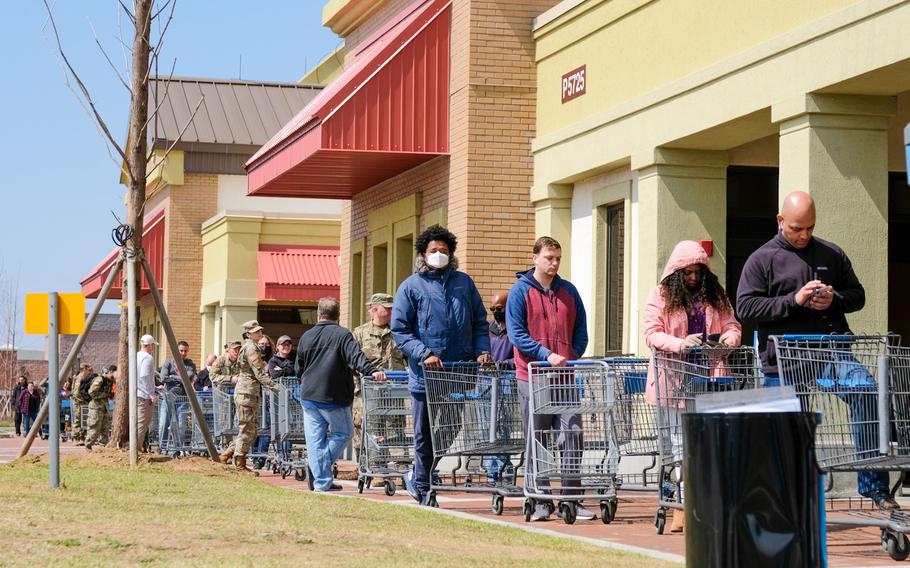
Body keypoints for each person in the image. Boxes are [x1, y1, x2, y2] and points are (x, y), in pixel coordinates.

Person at [736, 190, 897, 509]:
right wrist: (793, 301)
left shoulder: (831, 253)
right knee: (787, 432)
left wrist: (834, 299)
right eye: (797, 228)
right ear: (781, 221)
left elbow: (858, 295)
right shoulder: (761, 259)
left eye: (810, 227)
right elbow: (745, 307)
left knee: (865, 391)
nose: (804, 235)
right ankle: (788, 497)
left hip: (831, 351)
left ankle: (875, 487)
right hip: (783, 359)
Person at [643, 240, 742, 532]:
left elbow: (732, 325)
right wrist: (680, 344)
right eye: (687, 272)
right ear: (675, 272)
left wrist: (728, 340)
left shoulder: (715, 296)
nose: (693, 278)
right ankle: (684, 507)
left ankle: (702, 504)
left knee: (708, 444)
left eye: (698, 272)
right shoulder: (659, 295)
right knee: (678, 445)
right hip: (674, 378)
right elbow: (652, 333)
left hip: (709, 378)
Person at [392, 225, 491, 505]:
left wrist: (482, 350)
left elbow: (479, 323)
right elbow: (400, 330)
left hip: (458, 372)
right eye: (433, 251)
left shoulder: (464, 283)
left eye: (444, 251)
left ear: (451, 254)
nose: (438, 255)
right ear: (423, 254)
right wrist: (423, 353)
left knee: (449, 428)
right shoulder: (411, 286)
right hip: (426, 373)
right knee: (424, 432)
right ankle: (422, 485)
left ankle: (419, 474)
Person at [506, 236, 592, 521]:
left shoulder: (568, 291)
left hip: (565, 378)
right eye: (548, 258)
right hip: (532, 377)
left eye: (557, 258)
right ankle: (541, 499)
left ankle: (572, 499)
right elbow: (516, 335)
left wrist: (572, 354)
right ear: (535, 258)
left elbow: (581, 330)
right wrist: (546, 354)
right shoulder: (520, 292)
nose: (554, 263)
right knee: (538, 439)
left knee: (573, 435)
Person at [296, 297, 385, 491]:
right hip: (333, 396)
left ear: (319, 314)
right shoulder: (343, 335)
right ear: (338, 316)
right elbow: (356, 357)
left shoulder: (306, 337)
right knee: (344, 433)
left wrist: (303, 384)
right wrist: (371, 371)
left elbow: (299, 369)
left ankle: (320, 478)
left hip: (309, 395)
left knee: (315, 440)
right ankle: (319, 472)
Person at [352, 293, 407, 469]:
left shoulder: (398, 333)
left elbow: (408, 359)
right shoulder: (359, 333)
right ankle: (372, 468)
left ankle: (401, 468)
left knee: (396, 430)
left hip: (394, 391)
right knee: (369, 430)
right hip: (368, 393)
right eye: (388, 308)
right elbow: (351, 361)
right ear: (375, 309)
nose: (392, 311)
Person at [218, 321, 277, 471]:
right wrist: (277, 388)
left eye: (259, 330)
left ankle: (226, 455)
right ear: (248, 334)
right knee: (247, 429)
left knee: (250, 430)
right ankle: (240, 464)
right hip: (246, 392)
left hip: (249, 392)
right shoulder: (251, 348)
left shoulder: (250, 347)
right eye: (256, 331)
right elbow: (259, 373)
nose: (260, 333)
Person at [484, 290, 516, 484]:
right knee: (487, 426)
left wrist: (506, 364)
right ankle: (492, 468)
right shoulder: (487, 329)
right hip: (486, 381)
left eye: (499, 308)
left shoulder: (515, 329)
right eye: (492, 309)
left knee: (503, 425)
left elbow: (520, 356)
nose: (496, 312)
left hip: (505, 381)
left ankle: (503, 466)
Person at [158, 341, 197, 451]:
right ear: (176, 350)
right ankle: (162, 449)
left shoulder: (190, 364)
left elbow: (188, 377)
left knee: (180, 426)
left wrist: (172, 376)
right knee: (163, 424)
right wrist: (180, 378)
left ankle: (178, 449)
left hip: (182, 399)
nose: (183, 353)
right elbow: (163, 377)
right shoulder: (168, 363)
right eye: (181, 350)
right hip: (167, 398)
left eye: (185, 351)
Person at [136, 335, 159, 452]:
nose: (153, 347)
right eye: (153, 345)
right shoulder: (148, 358)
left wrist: (155, 387)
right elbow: (144, 376)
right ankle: (136, 449)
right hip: (144, 395)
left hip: (136, 393)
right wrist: (151, 393)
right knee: (142, 423)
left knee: (138, 422)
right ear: (149, 345)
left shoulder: (136, 355)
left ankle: (135, 448)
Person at [85, 365, 116, 451]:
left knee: (105, 428)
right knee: (94, 427)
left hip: (105, 407)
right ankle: (88, 445)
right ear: (110, 372)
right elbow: (91, 392)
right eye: (113, 374)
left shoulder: (109, 381)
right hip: (95, 407)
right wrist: (105, 395)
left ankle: (103, 446)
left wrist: (110, 395)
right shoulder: (100, 380)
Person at [70, 364, 95, 446]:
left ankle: (81, 437)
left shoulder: (84, 377)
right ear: (84, 369)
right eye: (88, 369)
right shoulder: (80, 377)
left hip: (83, 402)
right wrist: (85, 399)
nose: (89, 370)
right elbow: (76, 393)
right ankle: (76, 438)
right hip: (78, 402)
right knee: (78, 420)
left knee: (83, 420)